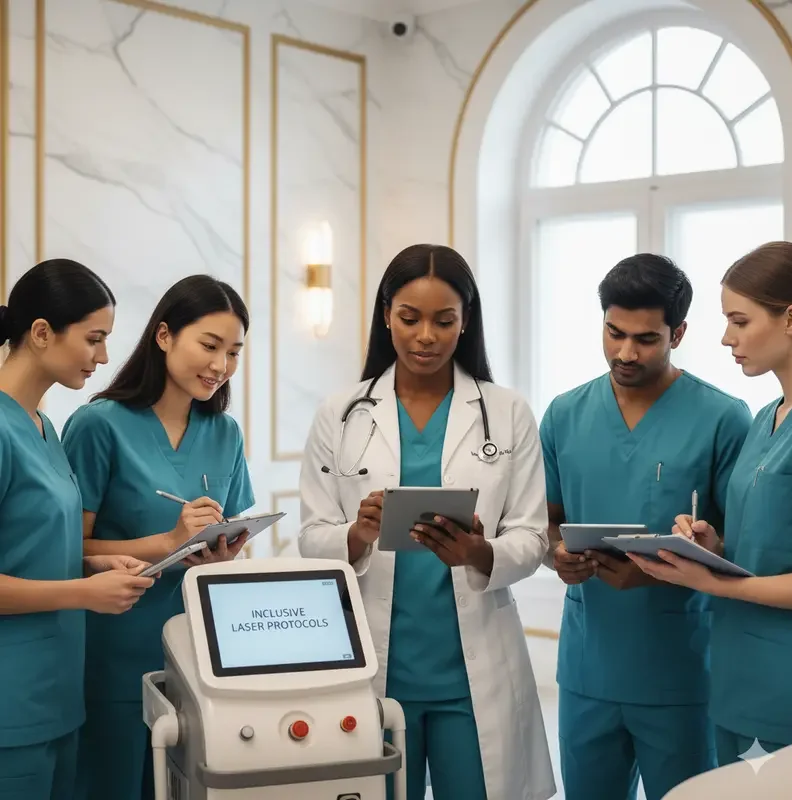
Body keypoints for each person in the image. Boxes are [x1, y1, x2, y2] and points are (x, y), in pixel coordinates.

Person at [298, 244, 556, 800]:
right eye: (409, 319)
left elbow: (533, 537)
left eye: (444, 321)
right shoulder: (340, 413)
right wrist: (357, 534)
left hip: (473, 671)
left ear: (466, 323)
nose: (425, 337)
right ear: (386, 314)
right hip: (376, 667)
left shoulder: (507, 412)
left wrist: (477, 553)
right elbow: (312, 536)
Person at [540, 254, 752, 800]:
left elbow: (738, 543)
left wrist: (663, 572)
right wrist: (558, 555)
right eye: (614, 333)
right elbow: (547, 524)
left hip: (679, 670)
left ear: (678, 333)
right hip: (588, 669)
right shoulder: (564, 414)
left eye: (646, 339)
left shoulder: (724, 418)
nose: (626, 352)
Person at [61, 275, 256, 800]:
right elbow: (68, 551)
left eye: (234, 352)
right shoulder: (98, 425)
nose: (221, 366)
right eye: (210, 346)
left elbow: (233, 536)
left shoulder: (225, 433)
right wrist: (168, 540)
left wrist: (221, 551)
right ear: (165, 336)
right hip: (114, 652)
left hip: (197, 655)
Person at [629, 241, 792, 768]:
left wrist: (712, 582)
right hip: (736, 680)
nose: (727, 338)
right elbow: (767, 541)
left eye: (740, 321)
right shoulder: (765, 419)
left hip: (788, 690)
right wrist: (714, 546)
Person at [0, 259, 155, 800]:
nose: (105, 356)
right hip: (10, 706)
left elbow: (30, 548)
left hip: (60, 698)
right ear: (41, 333)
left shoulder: (43, 426)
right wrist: (84, 592)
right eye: (94, 339)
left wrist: (94, 563)